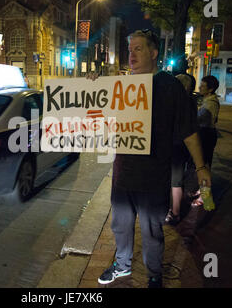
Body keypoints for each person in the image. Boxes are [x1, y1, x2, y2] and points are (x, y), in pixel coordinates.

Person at [88, 30, 211, 288]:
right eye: (130, 49)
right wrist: (92, 86)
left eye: (138, 49)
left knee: (152, 232)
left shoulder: (169, 87)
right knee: (120, 226)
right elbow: (97, 118)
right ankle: (122, 266)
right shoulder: (118, 86)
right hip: (123, 174)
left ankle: (154, 273)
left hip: (154, 176)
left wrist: (201, 167)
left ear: (154, 53)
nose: (131, 54)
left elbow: (189, 130)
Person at [165, 73, 197, 226]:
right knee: (175, 180)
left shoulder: (182, 103)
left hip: (176, 146)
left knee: (175, 181)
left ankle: (175, 212)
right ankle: (173, 210)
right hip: (179, 146)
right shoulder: (190, 101)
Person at [197, 75, 220, 168]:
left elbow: (198, 118)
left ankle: (203, 181)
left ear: (210, 89)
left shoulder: (210, 103)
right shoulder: (206, 100)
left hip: (206, 134)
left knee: (203, 162)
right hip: (205, 132)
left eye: (203, 86)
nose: (199, 87)